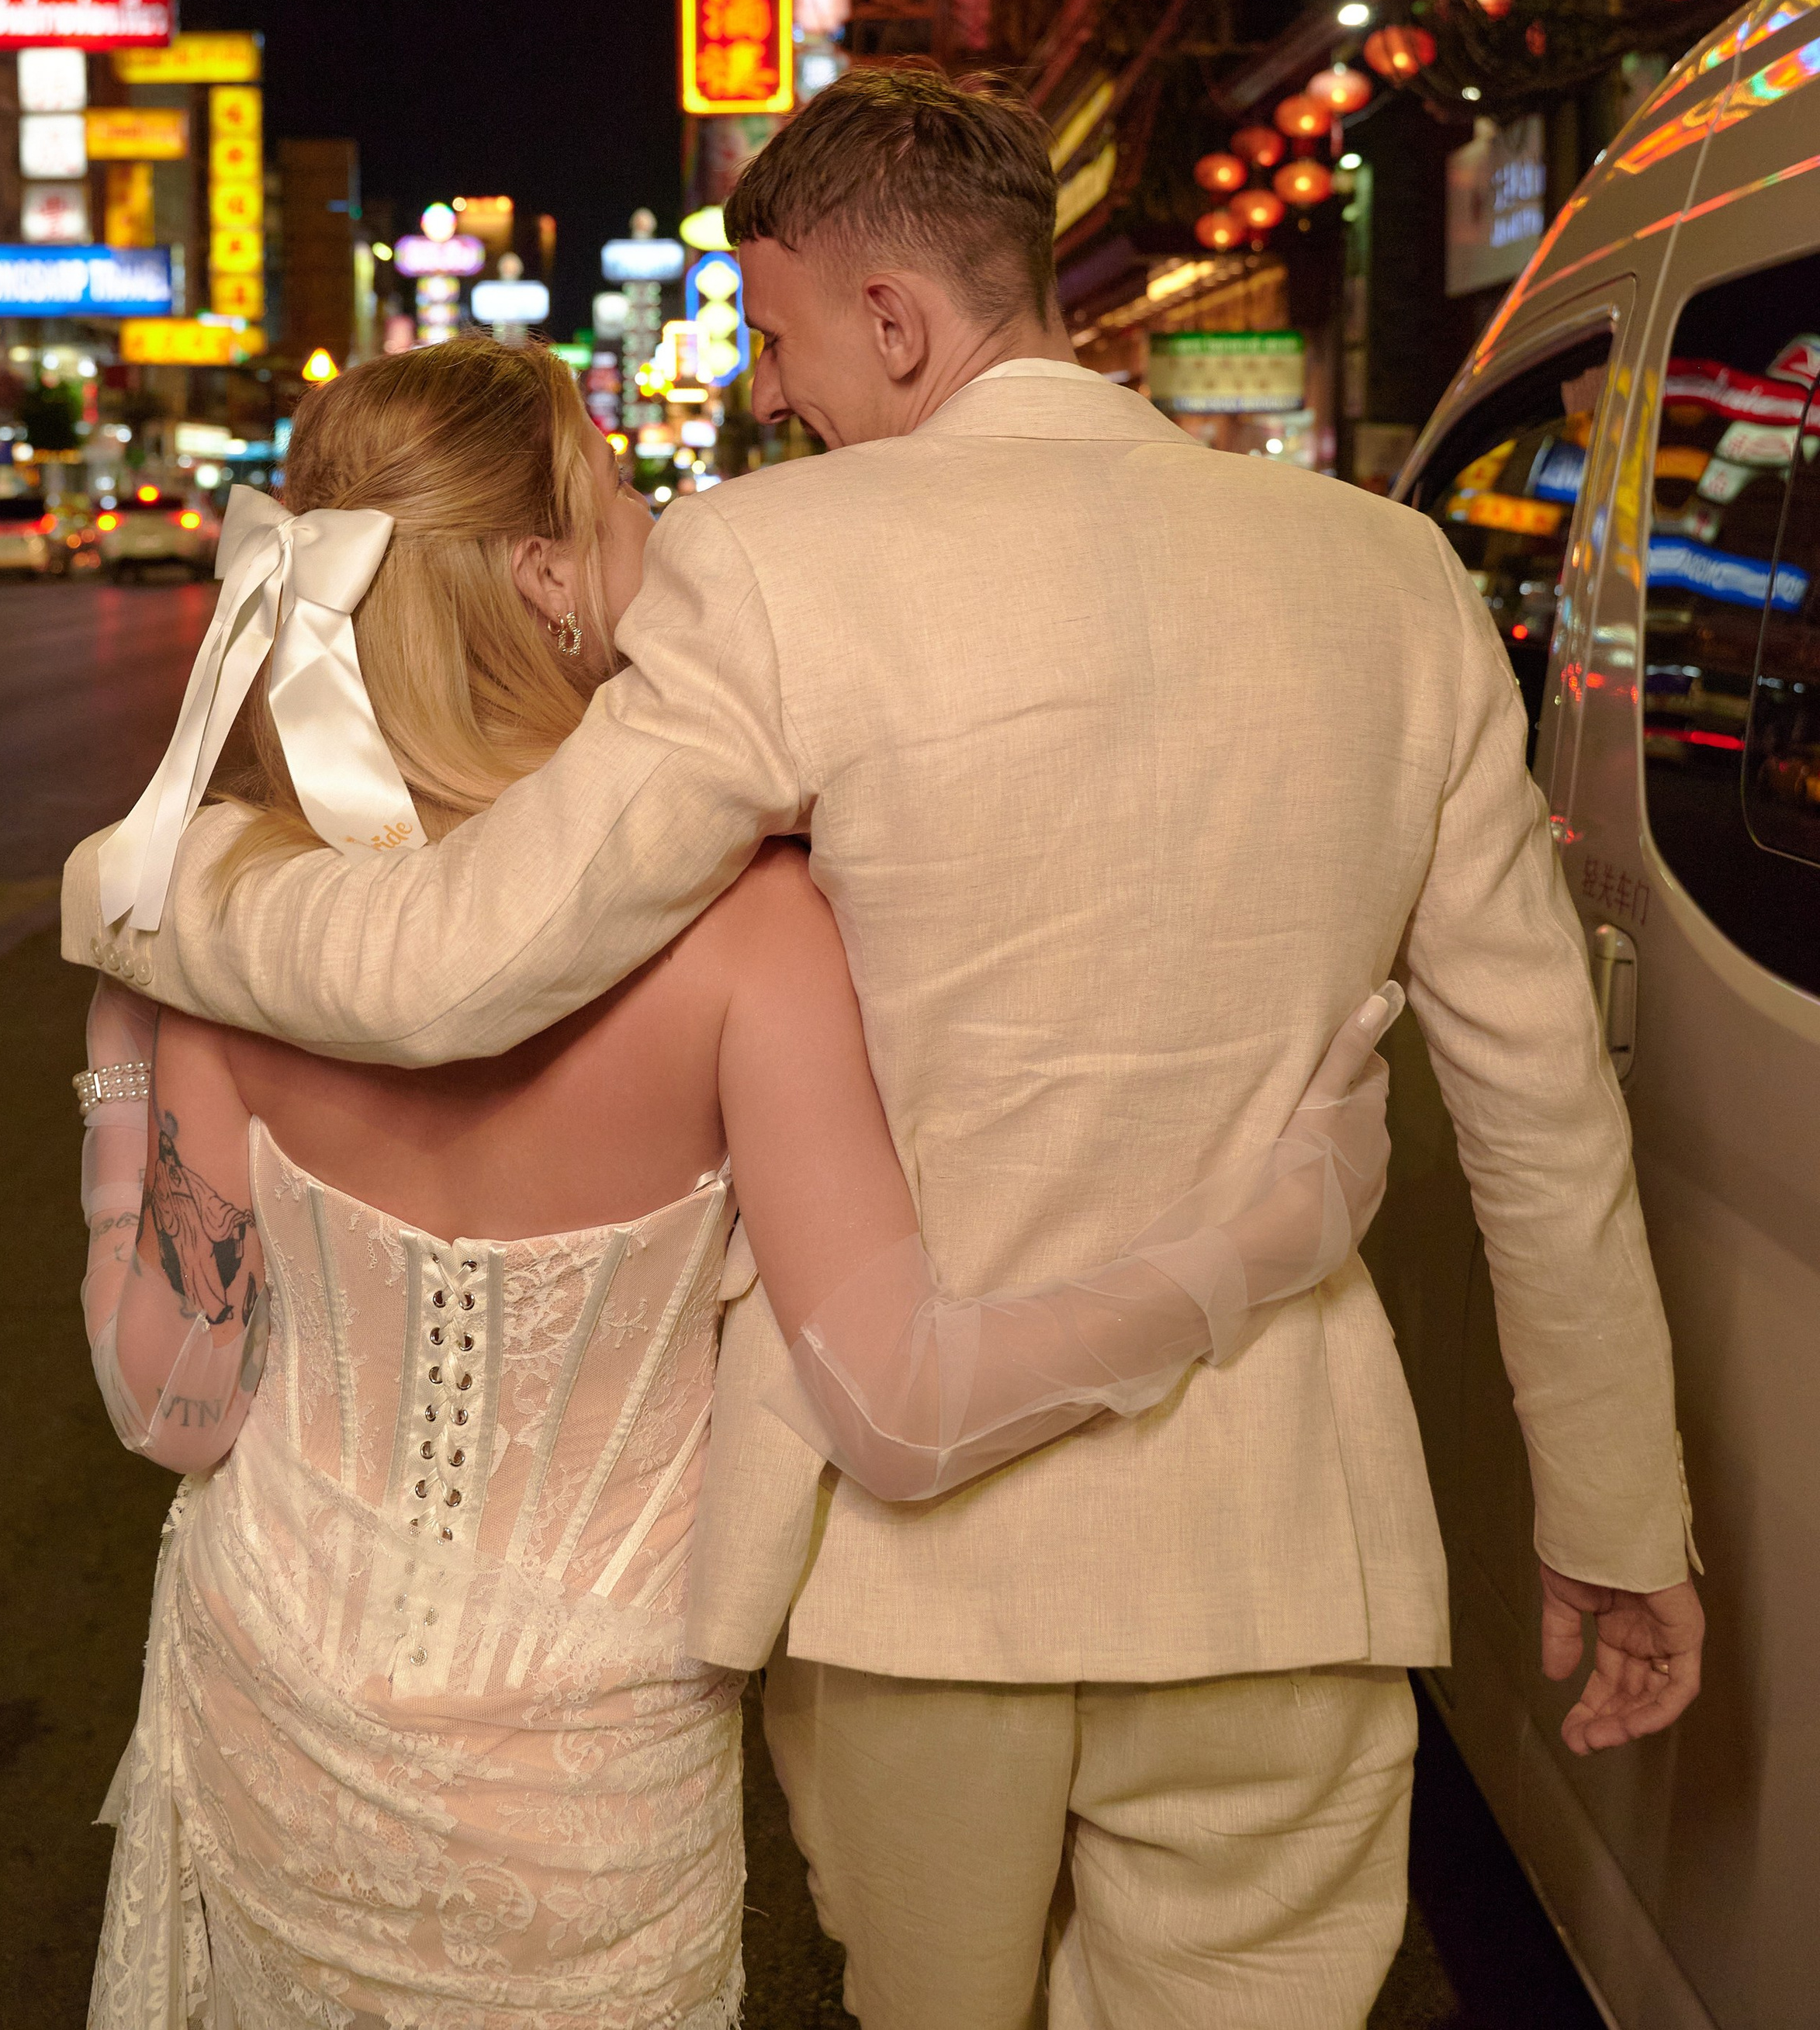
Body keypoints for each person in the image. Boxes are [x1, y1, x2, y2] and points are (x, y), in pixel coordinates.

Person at [67, 67, 1704, 2030]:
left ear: (895, 321)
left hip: (902, 1580)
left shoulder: (774, 565)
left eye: (772, 339)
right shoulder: (1397, 583)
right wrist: (1613, 1521)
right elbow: (1542, 1114)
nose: (770, 397)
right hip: (1284, 1558)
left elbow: (451, 973)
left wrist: (143, 898)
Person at [73, 336, 1398, 2028]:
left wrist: (124, 1083)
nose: (660, 528)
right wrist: (1266, 1231)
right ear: (546, 577)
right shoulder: (744, 928)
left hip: (274, 1686)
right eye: (623, 495)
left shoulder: (216, 916)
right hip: (586, 1769)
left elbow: (176, 1408)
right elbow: (903, 1404)